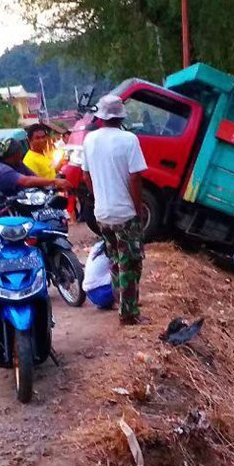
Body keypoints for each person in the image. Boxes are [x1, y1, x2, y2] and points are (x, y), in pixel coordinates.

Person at [82, 95, 148, 326]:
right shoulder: (129, 140)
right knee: (130, 263)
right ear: (120, 116)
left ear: (100, 116)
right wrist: (137, 209)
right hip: (124, 214)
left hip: (102, 214)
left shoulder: (89, 140)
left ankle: (121, 301)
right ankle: (128, 314)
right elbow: (136, 177)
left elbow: (85, 175)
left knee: (114, 260)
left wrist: (98, 196)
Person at [0, 135, 70, 197]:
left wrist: (54, 186)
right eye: (19, 151)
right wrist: (54, 181)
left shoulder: (18, 163)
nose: (21, 154)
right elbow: (26, 181)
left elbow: (34, 176)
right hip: (7, 211)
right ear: (13, 154)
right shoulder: (1, 170)